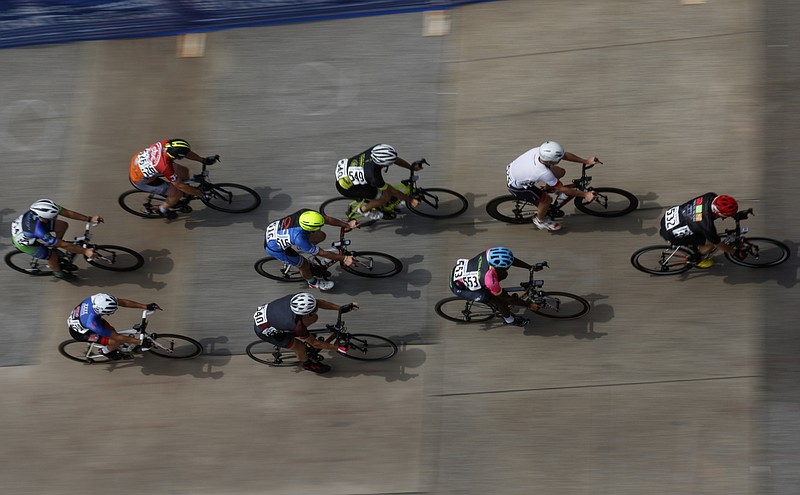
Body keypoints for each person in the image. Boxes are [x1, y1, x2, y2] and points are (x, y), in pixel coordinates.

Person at [506, 140, 600, 231]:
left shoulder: (541, 151)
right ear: (549, 162)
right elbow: (562, 189)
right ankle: (540, 221)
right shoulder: (543, 172)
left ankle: (549, 187)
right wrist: (585, 195)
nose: (561, 159)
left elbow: (565, 155)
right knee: (547, 200)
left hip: (516, 170)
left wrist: (586, 161)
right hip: (517, 186)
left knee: (560, 172)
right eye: (558, 159)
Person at [253, 292, 358, 373]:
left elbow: (319, 302)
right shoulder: (298, 325)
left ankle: (304, 336)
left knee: (313, 318)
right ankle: (307, 364)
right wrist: (337, 348)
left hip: (273, 315)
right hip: (264, 330)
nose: (317, 307)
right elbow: (315, 343)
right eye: (314, 309)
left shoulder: (298, 299)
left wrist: (341, 308)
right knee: (300, 347)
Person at [264, 208, 358, 290]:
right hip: (275, 247)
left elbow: (326, 219)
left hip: (278, 231)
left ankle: (306, 248)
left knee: (321, 235)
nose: (320, 228)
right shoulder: (299, 238)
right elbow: (322, 253)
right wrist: (344, 258)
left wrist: (347, 225)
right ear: (309, 229)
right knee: (304, 264)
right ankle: (313, 283)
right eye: (318, 228)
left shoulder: (305, 213)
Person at [10, 199, 102, 281]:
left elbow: (67, 213)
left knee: (62, 225)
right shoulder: (39, 230)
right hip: (25, 243)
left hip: (30, 226)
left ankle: (54, 245)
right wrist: (85, 251)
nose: (56, 217)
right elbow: (64, 245)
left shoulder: (44, 208)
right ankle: (58, 273)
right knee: (52, 256)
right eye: (54, 216)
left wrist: (89, 219)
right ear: (43, 218)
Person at [128, 138, 219, 219]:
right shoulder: (165, 166)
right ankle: (162, 209)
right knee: (177, 193)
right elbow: (180, 186)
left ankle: (185, 194)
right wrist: (201, 194)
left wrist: (202, 160)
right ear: (175, 156)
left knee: (184, 171)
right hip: (141, 180)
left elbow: (186, 153)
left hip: (140, 165)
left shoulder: (167, 144)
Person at [449, 247, 541, 327]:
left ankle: (496, 292)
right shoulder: (489, 280)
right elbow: (507, 300)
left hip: (464, 273)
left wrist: (530, 267)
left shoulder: (489, 254)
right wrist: (528, 305)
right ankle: (510, 320)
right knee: (501, 303)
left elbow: (509, 259)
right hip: (459, 287)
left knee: (503, 274)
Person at [334, 143, 423, 220]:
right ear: (381, 163)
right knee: (385, 196)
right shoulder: (373, 176)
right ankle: (364, 210)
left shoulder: (377, 150)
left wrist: (411, 168)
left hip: (349, 173)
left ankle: (390, 203)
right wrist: (411, 200)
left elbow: (395, 159)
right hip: (349, 188)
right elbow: (392, 191)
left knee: (386, 190)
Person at [66, 293, 163, 361]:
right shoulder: (92, 323)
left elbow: (123, 303)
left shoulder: (100, 298)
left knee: (112, 331)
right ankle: (106, 351)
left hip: (85, 318)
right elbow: (116, 337)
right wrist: (141, 342)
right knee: (115, 340)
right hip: (81, 332)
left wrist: (146, 306)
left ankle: (116, 347)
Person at [659, 193, 740, 268]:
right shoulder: (706, 225)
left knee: (699, 230)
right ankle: (697, 258)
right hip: (670, 234)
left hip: (670, 217)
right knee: (711, 243)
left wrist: (736, 214)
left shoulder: (710, 196)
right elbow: (718, 244)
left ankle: (696, 247)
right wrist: (734, 252)